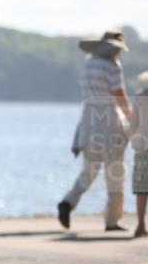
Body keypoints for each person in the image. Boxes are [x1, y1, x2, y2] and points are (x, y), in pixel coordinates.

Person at [58, 30, 134, 231]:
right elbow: (119, 94)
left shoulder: (88, 63)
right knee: (116, 173)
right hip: (109, 123)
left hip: (88, 123)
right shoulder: (112, 66)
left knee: (89, 171)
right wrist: (131, 119)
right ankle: (112, 220)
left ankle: (68, 202)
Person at [131, 71, 148, 238]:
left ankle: (140, 224)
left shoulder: (139, 96)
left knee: (142, 187)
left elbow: (134, 122)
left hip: (142, 143)